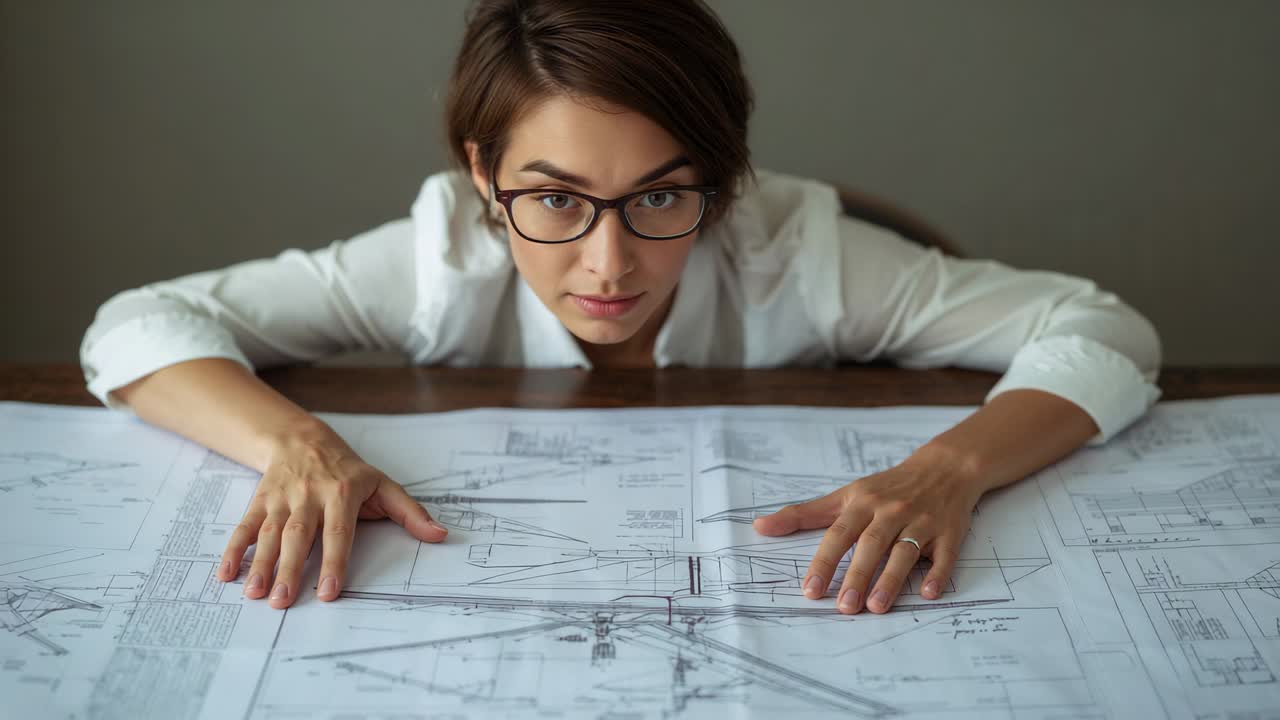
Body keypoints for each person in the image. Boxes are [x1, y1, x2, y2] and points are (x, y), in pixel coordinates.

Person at [80, 0, 1160, 617]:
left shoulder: (801, 253)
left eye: (659, 197)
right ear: (482, 176)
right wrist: (299, 446)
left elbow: (1103, 330)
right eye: (553, 199)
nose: (608, 264)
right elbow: (136, 324)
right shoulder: (437, 256)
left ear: (721, 182)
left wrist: (950, 468)